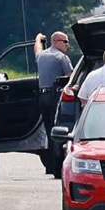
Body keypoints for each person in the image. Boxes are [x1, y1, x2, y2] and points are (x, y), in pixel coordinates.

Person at [34, 32, 73, 170]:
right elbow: (70, 77)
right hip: (55, 96)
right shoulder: (61, 57)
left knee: (49, 129)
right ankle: (56, 164)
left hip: (43, 97)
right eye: (65, 42)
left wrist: (38, 38)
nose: (68, 45)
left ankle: (50, 165)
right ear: (55, 41)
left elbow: (37, 49)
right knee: (57, 131)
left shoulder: (42, 56)